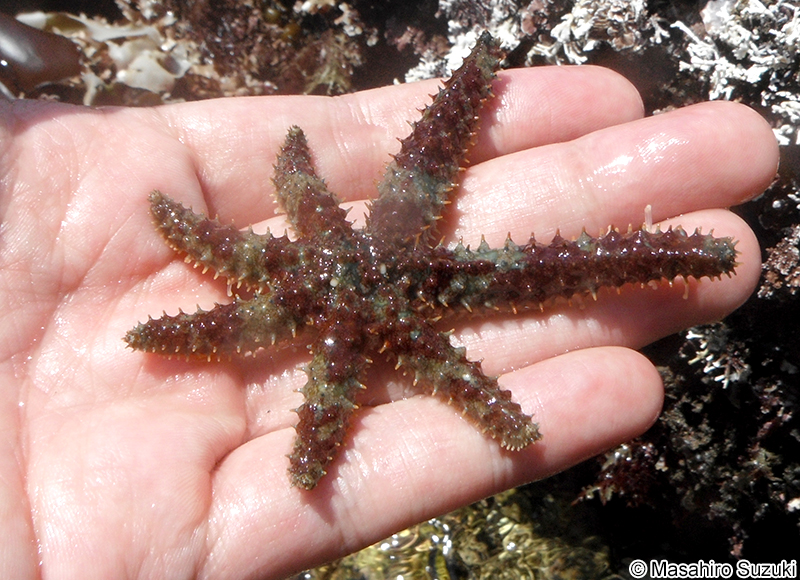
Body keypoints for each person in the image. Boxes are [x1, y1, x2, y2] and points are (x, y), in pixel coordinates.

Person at [0, 62, 777, 579]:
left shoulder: (338, 268)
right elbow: (279, 201)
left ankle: (691, 252)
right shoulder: (331, 283)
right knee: (532, 279)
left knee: (544, 273)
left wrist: (488, 405)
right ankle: (694, 251)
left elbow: (295, 191)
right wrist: (488, 405)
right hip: (382, 285)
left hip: (391, 279)